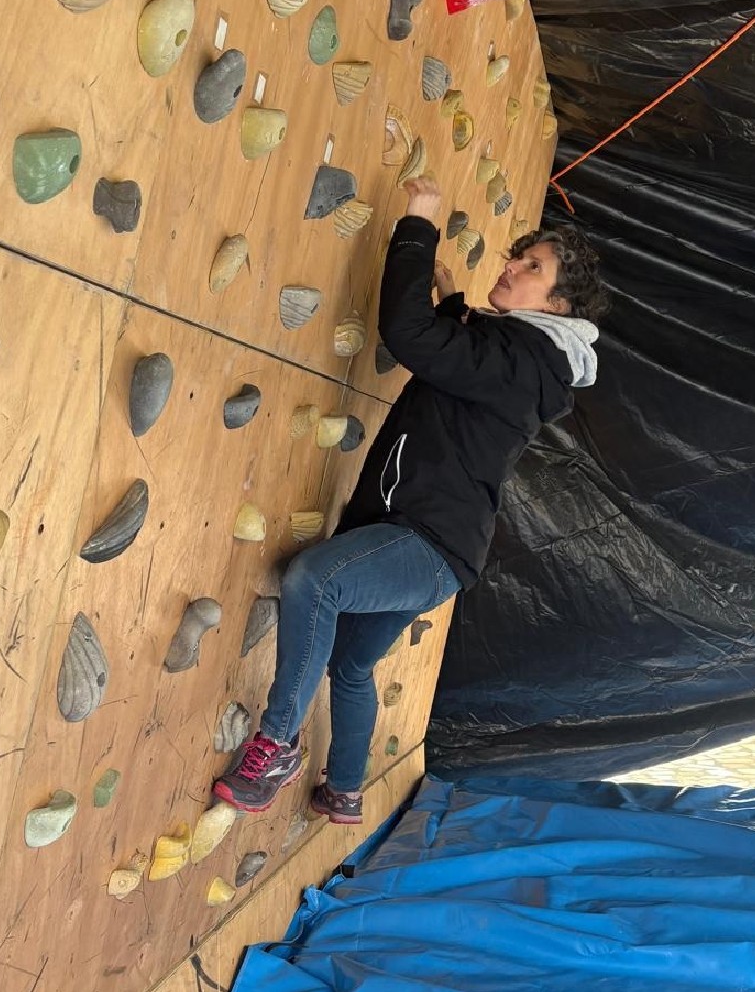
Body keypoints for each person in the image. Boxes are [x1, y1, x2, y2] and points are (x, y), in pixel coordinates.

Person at [213, 175, 608, 825]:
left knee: (316, 579)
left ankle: (277, 745)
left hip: (425, 542)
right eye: (518, 257)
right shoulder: (526, 360)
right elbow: (460, 364)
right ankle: (344, 791)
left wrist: (418, 225)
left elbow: (411, 337)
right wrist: (453, 302)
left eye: (532, 268)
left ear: (558, 306)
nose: (512, 267)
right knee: (351, 663)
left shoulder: (522, 359)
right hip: (441, 551)